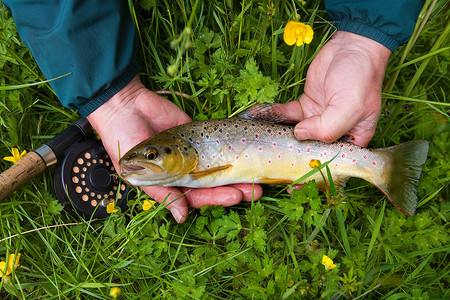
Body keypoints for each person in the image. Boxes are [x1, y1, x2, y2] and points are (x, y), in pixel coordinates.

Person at [3, 0, 424, 223]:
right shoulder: (187, 159)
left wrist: (363, 44)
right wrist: (365, 39)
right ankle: (378, 167)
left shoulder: (195, 164)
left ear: (178, 152)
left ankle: (382, 167)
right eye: (150, 155)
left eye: (152, 155)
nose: (142, 159)